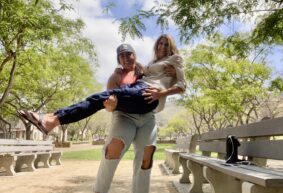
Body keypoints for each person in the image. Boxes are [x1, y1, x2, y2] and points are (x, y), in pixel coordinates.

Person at [84, 35, 186, 193]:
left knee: (145, 160)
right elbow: (110, 106)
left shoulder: (144, 70)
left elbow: (169, 80)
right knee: (111, 154)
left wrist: (173, 74)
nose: (125, 58)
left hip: (148, 117)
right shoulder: (115, 77)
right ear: (118, 60)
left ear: (134, 56)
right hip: (123, 117)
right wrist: (111, 106)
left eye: (128, 54)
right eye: (121, 56)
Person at [18, 37, 186, 136]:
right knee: (97, 99)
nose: (162, 46)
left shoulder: (175, 59)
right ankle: (51, 118)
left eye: (166, 44)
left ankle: (52, 120)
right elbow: (147, 74)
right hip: (134, 98)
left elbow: (182, 85)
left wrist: (163, 92)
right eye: (160, 43)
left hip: (148, 96)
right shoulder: (148, 65)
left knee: (97, 98)